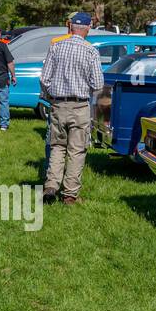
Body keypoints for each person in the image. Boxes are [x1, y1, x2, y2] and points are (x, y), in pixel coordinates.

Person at [40, 11, 104, 205]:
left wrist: (51, 96)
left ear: (71, 27)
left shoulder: (56, 46)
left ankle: (51, 185)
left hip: (58, 104)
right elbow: (98, 84)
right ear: (87, 28)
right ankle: (70, 194)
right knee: (76, 150)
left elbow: (44, 78)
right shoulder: (90, 50)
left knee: (57, 146)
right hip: (79, 106)